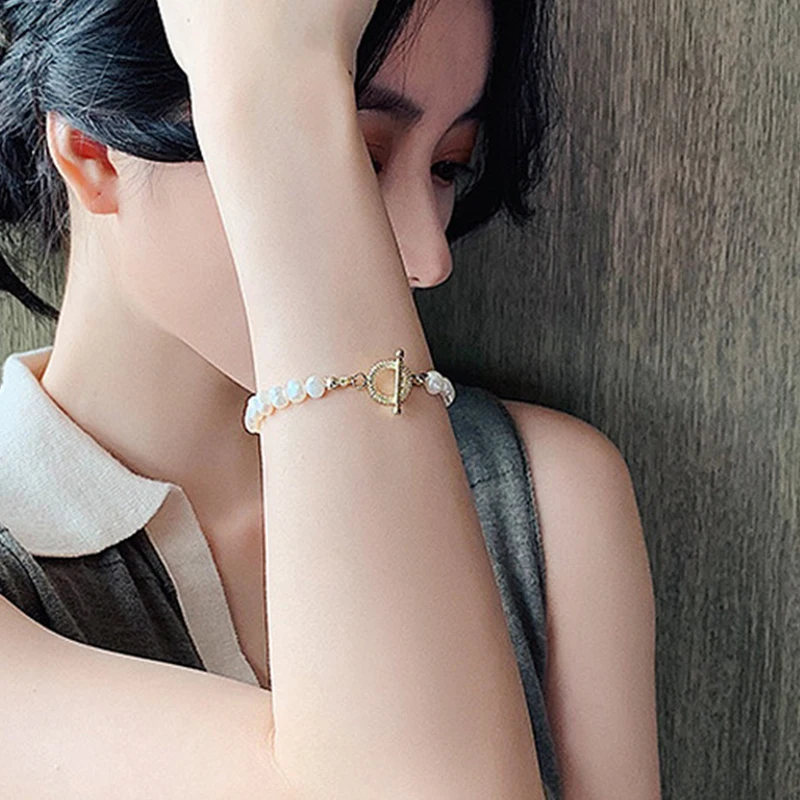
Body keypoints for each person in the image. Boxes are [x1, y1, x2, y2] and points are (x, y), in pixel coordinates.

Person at [0, 0, 661, 797]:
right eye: (362, 154)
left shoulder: (542, 497)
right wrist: (279, 87)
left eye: (447, 166)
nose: (429, 257)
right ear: (94, 149)